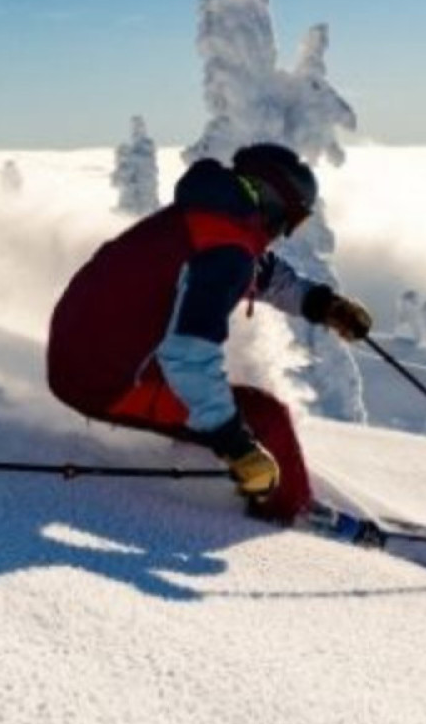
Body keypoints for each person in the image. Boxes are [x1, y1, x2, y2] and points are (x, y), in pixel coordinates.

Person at [45, 143, 371, 523]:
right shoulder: (225, 250)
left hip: (86, 357)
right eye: (292, 219)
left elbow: (261, 273)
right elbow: (187, 354)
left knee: (217, 398)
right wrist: (235, 442)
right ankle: (293, 514)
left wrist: (324, 305)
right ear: (273, 201)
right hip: (103, 382)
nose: (286, 232)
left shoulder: (209, 220)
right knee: (266, 419)